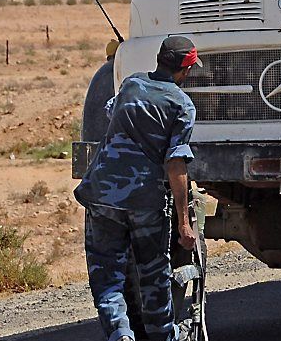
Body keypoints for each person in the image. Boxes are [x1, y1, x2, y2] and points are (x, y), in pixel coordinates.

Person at [74, 36, 201, 341]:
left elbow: (110, 112)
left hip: (102, 195)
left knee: (107, 279)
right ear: (184, 70)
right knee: (154, 276)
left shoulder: (131, 84)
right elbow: (176, 164)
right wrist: (184, 223)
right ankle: (163, 336)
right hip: (145, 200)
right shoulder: (182, 104)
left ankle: (121, 336)